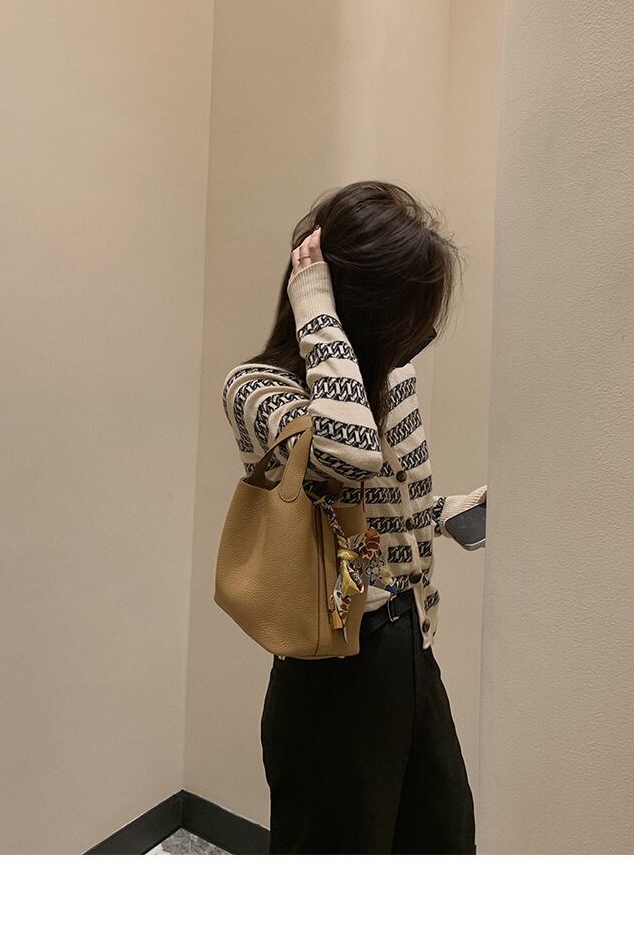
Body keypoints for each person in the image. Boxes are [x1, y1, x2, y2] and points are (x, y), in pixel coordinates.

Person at [223, 183, 485, 854]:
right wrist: (313, 302)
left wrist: (453, 514)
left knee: (446, 846)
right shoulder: (258, 390)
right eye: (408, 323)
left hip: (410, 648)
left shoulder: (392, 381)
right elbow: (349, 453)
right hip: (331, 670)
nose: (413, 342)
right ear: (363, 313)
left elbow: (378, 521)